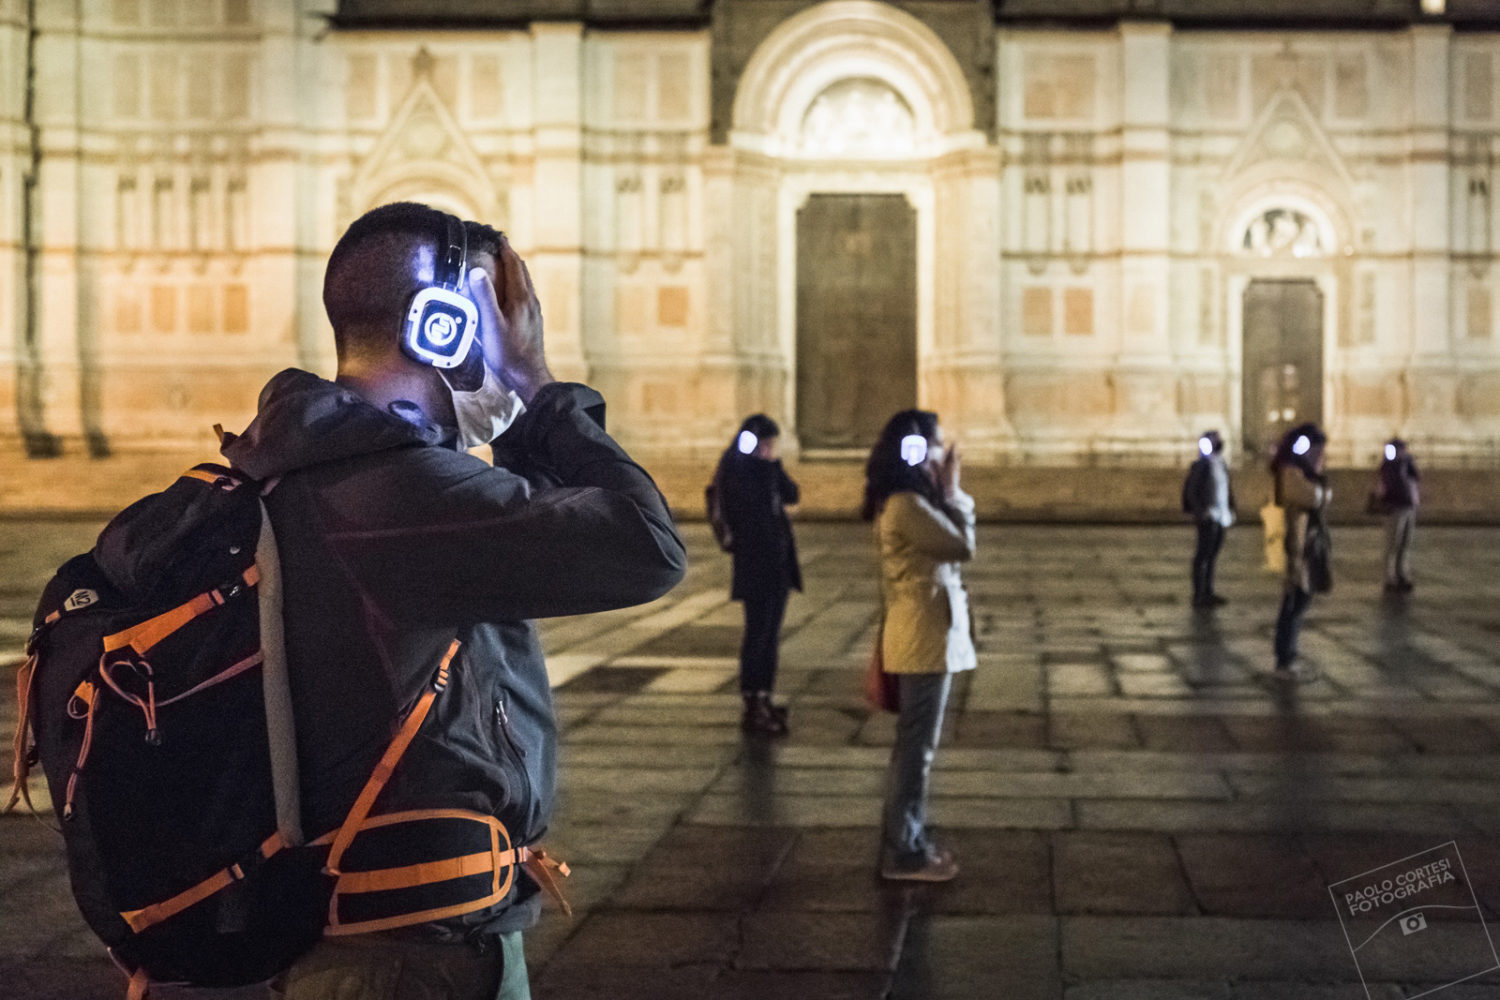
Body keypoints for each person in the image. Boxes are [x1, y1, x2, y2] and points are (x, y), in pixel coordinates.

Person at [222, 202, 686, 999]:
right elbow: (647, 545)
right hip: (413, 960)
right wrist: (536, 383)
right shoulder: (399, 494)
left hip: (364, 941)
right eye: (496, 314)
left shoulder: (305, 468)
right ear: (441, 325)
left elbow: (528, 515)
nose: (512, 336)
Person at [862, 410, 976, 882]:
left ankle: (908, 840)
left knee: (914, 747)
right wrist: (951, 490)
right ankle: (904, 852)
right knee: (916, 750)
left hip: (924, 633)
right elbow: (961, 546)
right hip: (923, 636)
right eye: (931, 445)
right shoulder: (907, 504)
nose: (936, 454)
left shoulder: (908, 500)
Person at [714, 414, 802, 735]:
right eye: (766, 444)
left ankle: (762, 697)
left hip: (775, 569)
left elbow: (793, 494)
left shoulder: (764, 472)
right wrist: (765, 468)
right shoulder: (739, 474)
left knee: (767, 636)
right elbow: (750, 516)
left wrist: (773, 466)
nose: (769, 450)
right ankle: (754, 701)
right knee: (759, 637)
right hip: (758, 569)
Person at [1270, 422, 1330, 681]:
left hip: (1304, 545)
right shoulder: (1292, 473)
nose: (1321, 457)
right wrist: (1322, 488)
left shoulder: (1298, 472)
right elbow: (1315, 497)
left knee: (1297, 601)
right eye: (1318, 450)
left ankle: (1288, 656)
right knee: (1295, 602)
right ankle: (1285, 658)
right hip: (1297, 548)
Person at [1182, 430, 1236, 608]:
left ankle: (1208, 591)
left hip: (1221, 516)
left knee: (1212, 555)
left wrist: (1231, 508)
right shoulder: (1201, 465)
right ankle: (1199, 594)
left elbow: (1227, 489)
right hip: (1208, 516)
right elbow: (1191, 490)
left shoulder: (1221, 464)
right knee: (1202, 555)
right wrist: (1199, 511)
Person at [1373, 437, 1421, 593]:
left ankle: (1402, 574)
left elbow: (1416, 477)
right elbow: (1394, 482)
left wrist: (1408, 461)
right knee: (1393, 543)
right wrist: (1399, 463)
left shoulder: (1406, 463)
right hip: (1395, 507)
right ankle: (1390, 577)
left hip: (1408, 506)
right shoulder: (1389, 465)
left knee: (1405, 544)